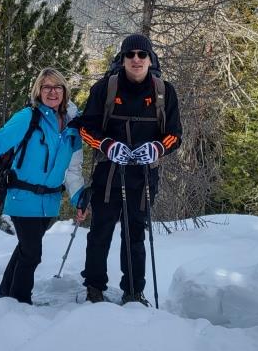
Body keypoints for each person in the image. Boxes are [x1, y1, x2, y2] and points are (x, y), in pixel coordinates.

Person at [0, 68, 88, 305]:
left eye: (57, 87)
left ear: (65, 91)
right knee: (32, 253)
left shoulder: (73, 126)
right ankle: (20, 303)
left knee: (25, 249)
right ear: (38, 91)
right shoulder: (28, 117)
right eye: (46, 87)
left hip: (50, 202)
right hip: (23, 197)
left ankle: (6, 294)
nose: (52, 92)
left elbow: (73, 168)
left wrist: (78, 197)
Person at [71, 33, 182, 305]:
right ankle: (94, 287)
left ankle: (133, 291)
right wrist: (106, 145)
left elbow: (175, 135)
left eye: (142, 54)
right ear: (122, 59)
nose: (136, 59)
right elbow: (85, 128)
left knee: (134, 234)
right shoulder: (105, 89)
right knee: (100, 232)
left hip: (143, 176)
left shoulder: (164, 92)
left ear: (150, 59)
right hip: (108, 173)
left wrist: (157, 148)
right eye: (129, 54)